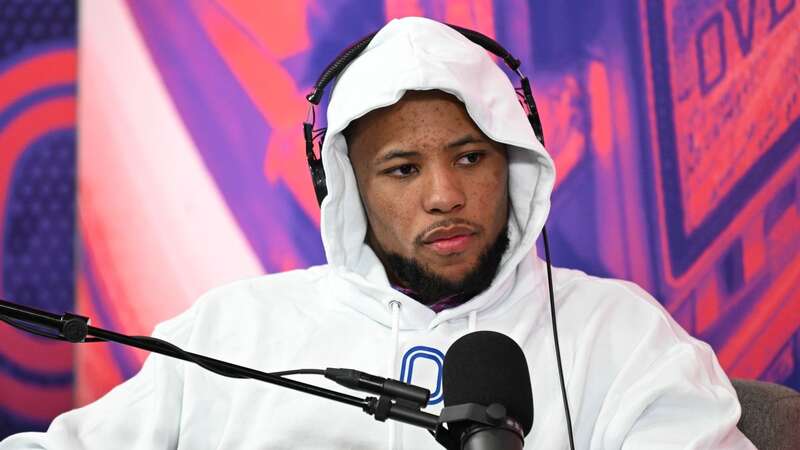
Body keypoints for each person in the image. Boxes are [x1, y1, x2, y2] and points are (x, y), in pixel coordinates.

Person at [1, 17, 754, 449]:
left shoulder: (617, 335)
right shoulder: (235, 330)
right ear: (346, 189)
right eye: (401, 169)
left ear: (516, 161)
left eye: (470, 157)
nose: (445, 196)